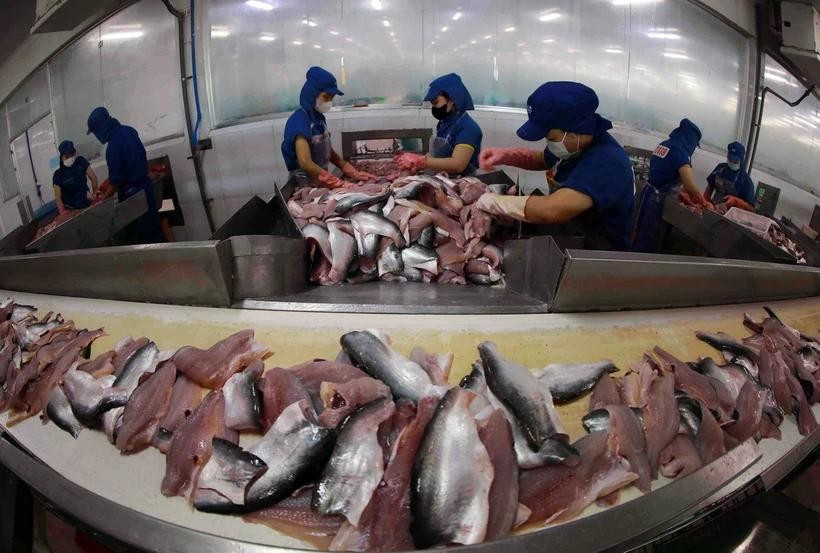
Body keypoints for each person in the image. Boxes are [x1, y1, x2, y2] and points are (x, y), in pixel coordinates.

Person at [474, 81, 635, 251]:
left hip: (596, 253)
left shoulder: (607, 162)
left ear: (574, 132)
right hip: (570, 230)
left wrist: (496, 202)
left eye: (550, 137)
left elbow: (553, 209)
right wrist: (506, 156)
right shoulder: (573, 147)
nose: (548, 143)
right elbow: (543, 159)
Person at [281, 66, 375, 188]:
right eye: (326, 97)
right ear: (312, 93)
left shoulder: (319, 119)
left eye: (332, 98)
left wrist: (350, 170)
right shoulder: (299, 121)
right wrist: (334, 181)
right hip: (304, 185)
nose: (329, 102)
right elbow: (304, 161)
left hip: (320, 181)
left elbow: (327, 151)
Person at [86, 106, 165, 244]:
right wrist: (105, 186)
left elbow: (116, 180)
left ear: (100, 129)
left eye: (95, 133)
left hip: (133, 196)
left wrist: (104, 198)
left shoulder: (113, 147)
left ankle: (152, 264)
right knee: (154, 228)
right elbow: (129, 164)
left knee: (142, 238)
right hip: (146, 188)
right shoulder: (129, 131)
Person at [631, 118, 709, 253]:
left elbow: (666, 174)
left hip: (648, 195)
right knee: (650, 241)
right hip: (658, 203)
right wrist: (705, 205)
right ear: (691, 140)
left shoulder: (664, 144)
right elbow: (691, 188)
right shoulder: (681, 152)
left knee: (639, 234)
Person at [395, 73, 482, 175]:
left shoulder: (468, 128)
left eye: (436, 103)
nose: (434, 108)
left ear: (451, 99)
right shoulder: (444, 123)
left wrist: (420, 161)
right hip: (444, 178)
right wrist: (416, 166)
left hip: (462, 185)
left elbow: (458, 165)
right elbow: (435, 155)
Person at [704, 141, 756, 211]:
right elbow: (709, 187)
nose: (732, 162)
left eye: (735, 161)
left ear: (741, 160)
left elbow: (751, 208)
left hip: (730, 216)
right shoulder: (720, 168)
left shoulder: (746, 181)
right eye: (730, 158)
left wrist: (736, 201)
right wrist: (706, 203)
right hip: (713, 208)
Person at [52, 140, 98, 214]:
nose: (70, 158)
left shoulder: (80, 162)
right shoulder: (58, 175)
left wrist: (95, 193)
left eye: (72, 154)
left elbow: (93, 177)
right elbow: (58, 198)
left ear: (74, 153)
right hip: (70, 210)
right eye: (66, 156)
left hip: (86, 204)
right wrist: (63, 213)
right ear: (61, 158)